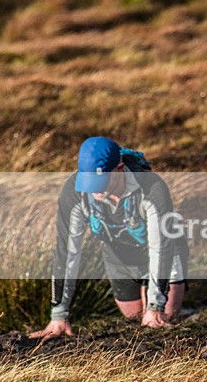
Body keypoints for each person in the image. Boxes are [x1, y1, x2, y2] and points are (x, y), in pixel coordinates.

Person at [29, 137, 189, 341]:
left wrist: (155, 305)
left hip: (163, 251)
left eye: (101, 181)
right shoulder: (75, 193)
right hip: (119, 256)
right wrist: (59, 315)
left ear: (119, 168)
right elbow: (68, 253)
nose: (96, 190)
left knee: (159, 320)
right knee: (136, 319)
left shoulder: (152, 188)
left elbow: (161, 247)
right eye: (90, 183)